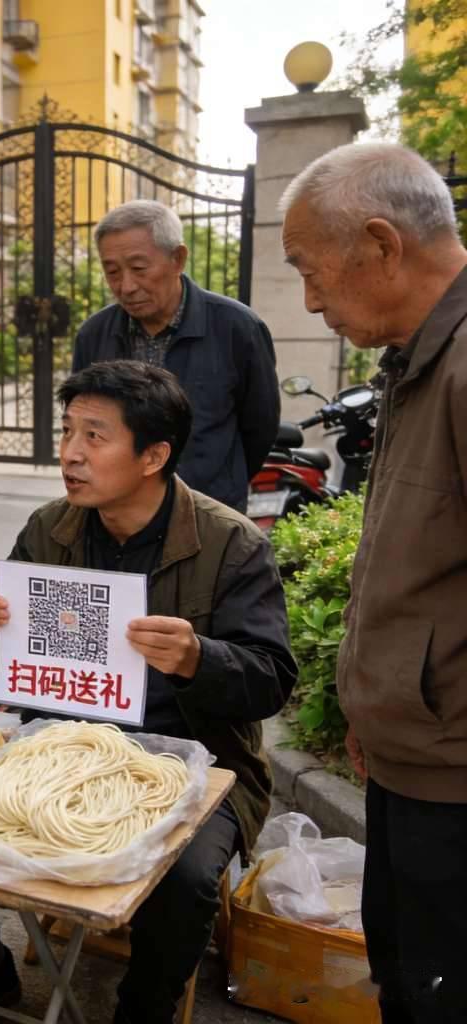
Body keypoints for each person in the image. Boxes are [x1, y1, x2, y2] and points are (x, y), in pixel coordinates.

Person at [0, 359, 297, 1024]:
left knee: (185, 880)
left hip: (193, 758)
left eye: (95, 437)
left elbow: (272, 679)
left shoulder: (231, 545)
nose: (70, 454)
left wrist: (199, 657)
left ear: (154, 455)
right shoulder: (52, 528)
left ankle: (144, 1009)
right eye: (68, 431)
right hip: (52, 745)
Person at [281, 142, 467, 1024]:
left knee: (437, 991)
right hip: (416, 756)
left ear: (383, 246)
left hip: (456, 779)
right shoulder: (421, 358)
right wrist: (375, 708)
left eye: (312, 273)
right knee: (402, 972)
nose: (311, 300)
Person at [72, 200, 279, 512]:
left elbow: (259, 429)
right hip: (117, 514)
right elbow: (83, 425)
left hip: (208, 512)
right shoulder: (94, 335)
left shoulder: (238, 328)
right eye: (112, 272)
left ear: (177, 259)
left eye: (139, 269)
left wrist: (221, 482)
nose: (126, 286)